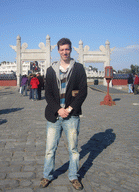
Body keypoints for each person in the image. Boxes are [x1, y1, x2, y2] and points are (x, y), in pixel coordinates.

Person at [40, 38, 87, 190]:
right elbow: (48, 94)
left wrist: (69, 109)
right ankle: (47, 175)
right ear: (58, 51)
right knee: (50, 149)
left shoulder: (79, 68)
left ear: (71, 50)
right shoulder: (50, 70)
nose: (64, 52)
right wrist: (58, 109)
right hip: (54, 116)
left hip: (71, 116)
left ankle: (73, 176)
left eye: (67, 49)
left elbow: (83, 92)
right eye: (62, 49)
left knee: (73, 149)